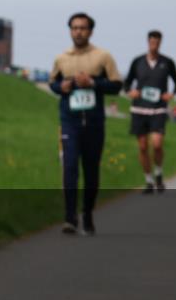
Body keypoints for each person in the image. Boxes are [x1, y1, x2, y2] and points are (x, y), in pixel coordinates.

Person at [49, 12, 122, 236]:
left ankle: (87, 213)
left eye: (82, 28)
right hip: (69, 121)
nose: (78, 31)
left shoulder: (103, 56)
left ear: (90, 31)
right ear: (70, 31)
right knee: (69, 168)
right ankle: (70, 217)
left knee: (91, 172)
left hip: (94, 122)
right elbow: (53, 82)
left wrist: (93, 82)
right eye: (74, 28)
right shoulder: (62, 58)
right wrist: (61, 87)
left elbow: (116, 85)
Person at [122, 30, 176, 193]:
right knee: (142, 147)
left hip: (158, 109)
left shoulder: (167, 62)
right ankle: (148, 181)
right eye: (152, 42)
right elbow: (127, 82)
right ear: (148, 42)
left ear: (160, 43)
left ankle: (159, 173)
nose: (154, 45)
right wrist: (129, 91)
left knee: (157, 144)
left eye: (157, 42)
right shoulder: (138, 61)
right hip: (139, 108)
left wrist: (172, 94)